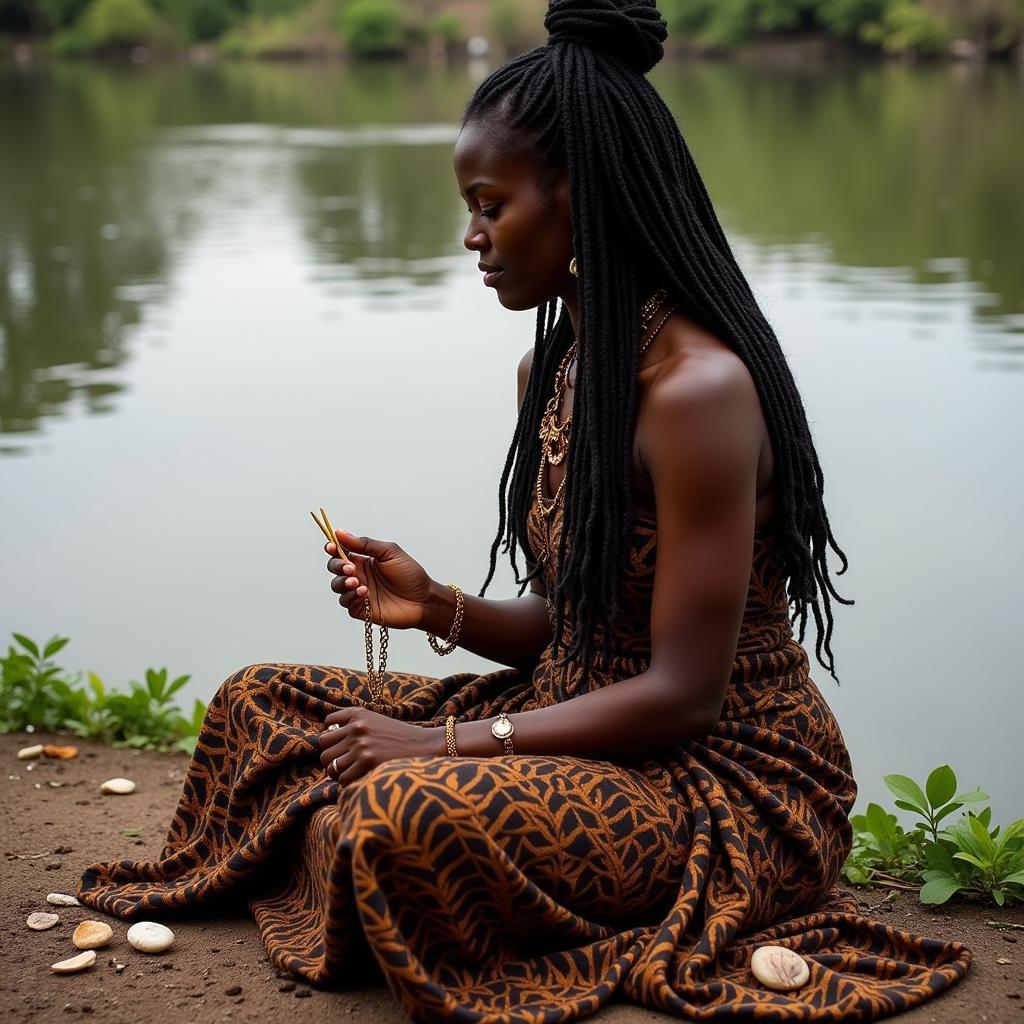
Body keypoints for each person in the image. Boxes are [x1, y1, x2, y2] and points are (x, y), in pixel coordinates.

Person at [80, 1, 971, 1019]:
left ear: (578, 195)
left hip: (719, 778)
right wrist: (437, 607)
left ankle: (358, 861)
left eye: (490, 204)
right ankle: (361, 863)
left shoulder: (697, 391)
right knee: (260, 703)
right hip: (577, 721)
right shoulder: (553, 368)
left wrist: (438, 746)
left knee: (394, 812)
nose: (471, 236)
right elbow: (579, 627)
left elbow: (680, 691)